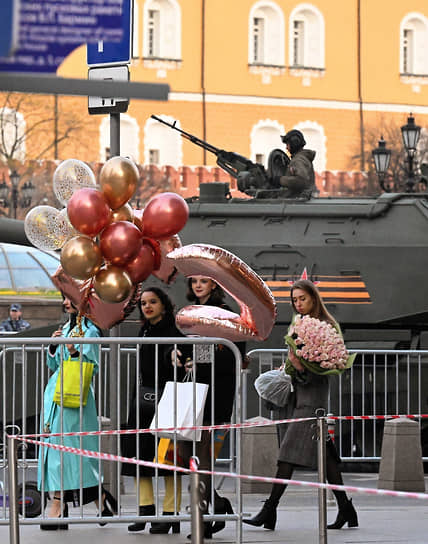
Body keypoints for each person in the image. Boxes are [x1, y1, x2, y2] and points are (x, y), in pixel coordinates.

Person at [243, 279, 358, 531]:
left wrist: (297, 368)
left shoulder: (327, 327)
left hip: (312, 401)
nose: (298, 304)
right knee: (325, 458)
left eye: (302, 298)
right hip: (297, 398)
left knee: (287, 455)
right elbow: (297, 360)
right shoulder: (299, 324)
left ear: (314, 298)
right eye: (294, 300)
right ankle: (347, 509)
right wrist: (287, 369)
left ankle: (268, 510)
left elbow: (324, 368)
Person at [37, 296, 116, 530]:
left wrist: (72, 352)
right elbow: (54, 365)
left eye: (70, 299)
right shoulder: (67, 328)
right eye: (64, 299)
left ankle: (59, 506)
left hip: (74, 394)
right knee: (56, 448)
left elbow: (91, 367)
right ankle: (98, 501)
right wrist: (54, 347)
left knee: (69, 451)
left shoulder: (90, 331)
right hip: (55, 391)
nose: (66, 303)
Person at [177, 276, 244, 539]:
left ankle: (202, 519)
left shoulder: (225, 314)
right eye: (194, 281)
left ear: (214, 285)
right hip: (194, 390)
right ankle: (218, 504)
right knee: (185, 450)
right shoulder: (190, 313)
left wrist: (200, 361)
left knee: (202, 453)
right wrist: (181, 357)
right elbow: (187, 347)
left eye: (204, 281)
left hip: (216, 391)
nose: (198, 285)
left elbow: (231, 351)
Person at [121, 287, 190, 535]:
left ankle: (171, 514)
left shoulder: (175, 333)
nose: (147, 306)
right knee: (140, 456)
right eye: (143, 303)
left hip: (168, 399)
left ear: (164, 304)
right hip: (143, 400)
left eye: (152, 302)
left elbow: (184, 363)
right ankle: (145, 510)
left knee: (169, 459)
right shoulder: (144, 331)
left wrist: (176, 358)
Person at [278, 129, 316, 199]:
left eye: (288, 144)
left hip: (298, 202)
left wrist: (280, 180)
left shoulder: (298, 160)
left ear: (294, 143)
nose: (286, 148)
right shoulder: (302, 158)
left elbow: (301, 181)